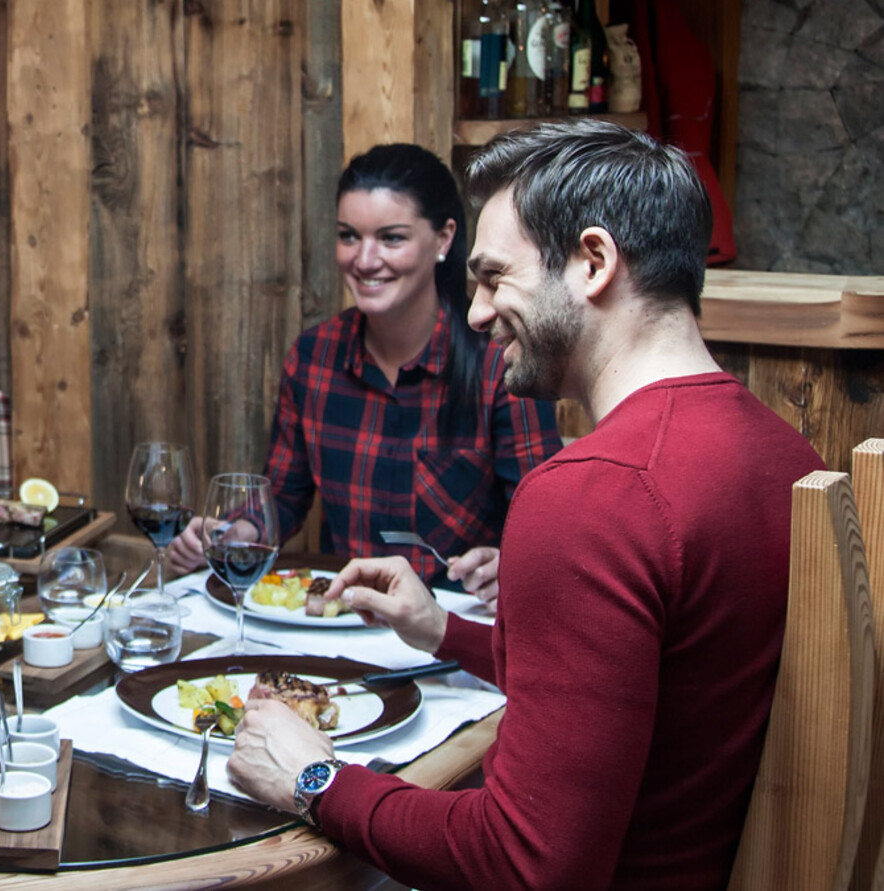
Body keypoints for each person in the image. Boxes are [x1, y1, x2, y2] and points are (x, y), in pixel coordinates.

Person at [226, 120, 825, 890]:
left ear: (594, 262)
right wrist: (445, 630)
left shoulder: (591, 492)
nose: (475, 312)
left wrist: (315, 778)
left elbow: (523, 862)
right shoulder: (782, 450)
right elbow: (634, 681)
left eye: (494, 276)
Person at [168, 144, 563, 602]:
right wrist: (230, 534)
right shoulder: (314, 357)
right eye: (349, 236)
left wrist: (508, 563)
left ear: (443, 238)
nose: (365, 259)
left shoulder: (499, 362)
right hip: (341, 617)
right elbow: (284, 498)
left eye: (391, 238)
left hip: (453, 627)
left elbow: (545, 527)